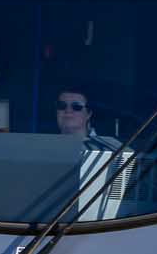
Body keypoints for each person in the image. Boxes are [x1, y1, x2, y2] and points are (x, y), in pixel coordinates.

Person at [49, 87, 133, 221]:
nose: (68, 110)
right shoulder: (44, 148)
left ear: (88, 114)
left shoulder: (115, 150)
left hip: (94, 226)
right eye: (62, 105)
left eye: (76, 107)